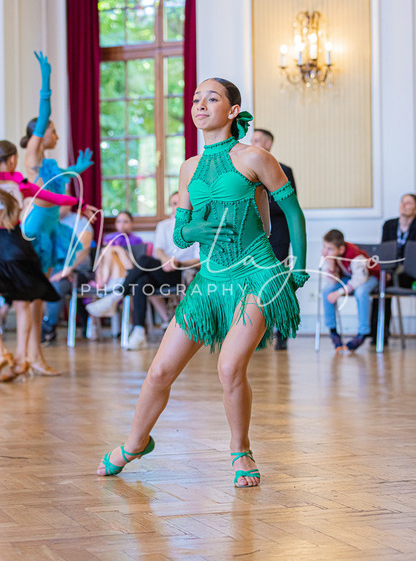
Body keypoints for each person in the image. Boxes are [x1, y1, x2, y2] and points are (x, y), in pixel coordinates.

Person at [95, 77, 309, 487]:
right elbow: (180, 234)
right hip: (209, 280)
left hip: (256, 274)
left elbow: (293, 213)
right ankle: (136, 443)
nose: (200, 105)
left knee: (229, 366)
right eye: (196, 99)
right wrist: (196, 230)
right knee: (160, 371)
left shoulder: (255, 156)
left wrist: (296, 267)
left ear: (233, 110)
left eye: (212, 98)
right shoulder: (188, 168)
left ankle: (240, 449)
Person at [19, 51, 95, 374]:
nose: (57, 135)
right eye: (53, 131)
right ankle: (29, 356)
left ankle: (33, 356)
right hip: (37, 227)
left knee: (39, 295)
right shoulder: (33, 153)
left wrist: (77, 168)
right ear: (41, 132)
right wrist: (47, 80)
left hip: (52, 229)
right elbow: (44, 113)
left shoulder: (49, 164)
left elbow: (62, 178)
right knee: (32, 296)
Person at [86, 192, 199, 350]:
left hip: (182, 272)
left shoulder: (197, 226)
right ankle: (139, 332)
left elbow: (199, 259)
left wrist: (178, 263)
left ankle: (116, 296)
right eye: (174, 203)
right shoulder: (163, 226)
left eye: (180, 202)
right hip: (163, 268)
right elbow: (158, 250)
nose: (178, 206)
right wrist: (166, 260)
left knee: (144, 261)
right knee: (142, 281)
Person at [0, 189, 61, 381]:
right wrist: (79, 204)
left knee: (22, 304)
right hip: (21, 249)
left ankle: (2, 353)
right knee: (23, 304)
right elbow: (54, 198)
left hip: (4, 250)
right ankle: (21, 358)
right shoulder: (15, 190)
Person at [251, 128, 297, 350]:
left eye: (257, 140)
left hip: (278, 233)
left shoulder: (284, 170)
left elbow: (289, 206)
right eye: (252, 140)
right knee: (256, 283)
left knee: (278, 281)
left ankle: (282, 332)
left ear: (268, 143)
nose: (253, 143)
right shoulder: (247, 169)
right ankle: (258, 333)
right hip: (254, 235)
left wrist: (263, 205)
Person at [370, 193, 416, 344]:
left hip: (410, 274)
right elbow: (385, 251)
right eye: (402, 202)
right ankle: (378, 334)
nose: (403, 205)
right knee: (380, 287)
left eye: (408, 203)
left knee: (385, 284)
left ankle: (380, 334)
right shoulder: (389, 225)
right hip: (390, 271)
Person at [41, 204, 95, 344]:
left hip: (78, 270)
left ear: (69, 204)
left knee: (56, 285)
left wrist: (68, 269)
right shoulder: (50, 222)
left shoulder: (79, 221)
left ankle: (48, 326)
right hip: (54, 268)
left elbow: (84, 248)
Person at [322, 229, 380, 352]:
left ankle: (362, 333)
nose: (325, 252)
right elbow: (332, 282)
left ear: (341, 249)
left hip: (369, 277)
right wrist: (331, 266)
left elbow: (360, 279)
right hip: (349, 278)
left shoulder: (355, 255)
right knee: (327, 290)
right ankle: (333, 332)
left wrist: (340, 292)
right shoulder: (330, 257)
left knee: (361, 292)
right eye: (324, 247)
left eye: (329, 249)